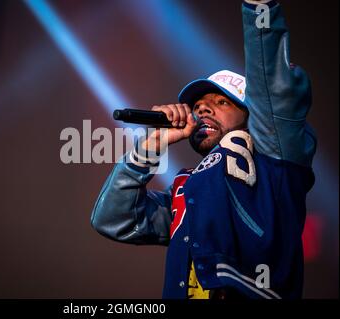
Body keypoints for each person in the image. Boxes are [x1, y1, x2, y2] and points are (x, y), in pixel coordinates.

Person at [90, 0, 316, 299]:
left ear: (253, 115)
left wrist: (259, 8)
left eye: (221, 102)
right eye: (198, 106)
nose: (204, 110)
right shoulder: (186, 188)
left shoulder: (275, 157)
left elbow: (274, 90)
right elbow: (113, 219)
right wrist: (149, 147)